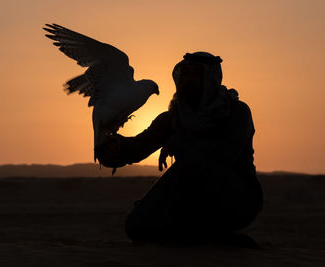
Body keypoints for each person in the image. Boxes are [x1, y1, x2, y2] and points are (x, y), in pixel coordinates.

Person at [95, 52, 263, 245]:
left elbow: (225, 155)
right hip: (187, 195)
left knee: (188, 168)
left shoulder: (236, 112)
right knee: (136, 226)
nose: (188, 79)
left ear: (210, 80)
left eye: (196, 74)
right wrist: (113, 149)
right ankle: (211, 239)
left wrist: (179, 144)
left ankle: (202, 236)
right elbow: (138, 147)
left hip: (235, 198)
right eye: (185, 74)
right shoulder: (172, 117)